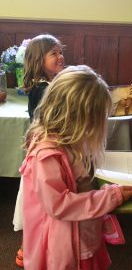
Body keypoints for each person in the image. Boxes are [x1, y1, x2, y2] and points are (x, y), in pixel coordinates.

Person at [20, 65, 132, 270]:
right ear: (76, 117)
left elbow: (85, 173)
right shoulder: (46, 156)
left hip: (83, 230)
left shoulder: (71, 137)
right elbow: (59, 205)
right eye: (97, 118)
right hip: (69, 243)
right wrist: (111, 197)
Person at [14, 34, 65, 267]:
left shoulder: (49, 84)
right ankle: (27, 249)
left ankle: (33, 246)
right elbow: (49, 120)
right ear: (38, 59)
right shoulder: (43, 89)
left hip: (45, 144)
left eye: (60, 51)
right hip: (45, 147)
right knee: (39, 204)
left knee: (40, 203)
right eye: (53, 53)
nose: (60, 56)